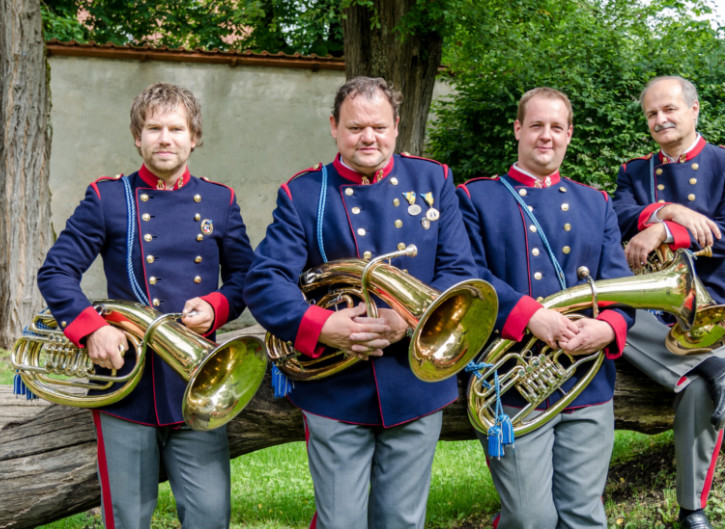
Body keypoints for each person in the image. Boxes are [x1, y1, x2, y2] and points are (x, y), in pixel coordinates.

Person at [244, 76, 479, 529]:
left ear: (396, 127)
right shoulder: (304, 193)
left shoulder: (434, 178)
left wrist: (406, 317)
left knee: (403, 521)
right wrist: (321, 325)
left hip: (415, 379)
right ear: (334, 127)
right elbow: (265, 279)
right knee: (341, 522)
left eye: (378, 126)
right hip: (336, 388)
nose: (368, 138)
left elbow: (458, 270)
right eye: (355, 128)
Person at [36, 82, 254, 529]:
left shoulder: (220, 200)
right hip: (126, 383)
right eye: (153, 128)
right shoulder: (107, 198)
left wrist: (217, 306)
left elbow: (248, 278)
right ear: (138, 136)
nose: (165, 138)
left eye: (176, 128)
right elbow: (56, 272)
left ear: (194, 137)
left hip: (198, 383)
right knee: (128, 518)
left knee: (211, 517)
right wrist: (91, 328)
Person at [456, 87, 635, 529]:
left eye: (557, 127)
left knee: (584, 515)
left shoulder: (595, 201)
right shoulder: (476, 197)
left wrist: (609, 329)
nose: (546, 136)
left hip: (585, 380)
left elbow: (618, 286)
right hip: (514, 387)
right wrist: (530, 315)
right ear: (518, 129)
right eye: (536, 125)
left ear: (569, 134)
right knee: (529, 517)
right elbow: (469, 278)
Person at [612, 75, 725, 529]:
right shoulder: (634, 170)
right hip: (654, 307)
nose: (661, 119)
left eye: (670, 109)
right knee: (605, 313)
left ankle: (692, 509)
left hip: (717, 302)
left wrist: (661, 231)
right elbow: (616, 217)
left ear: (694, 110)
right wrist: (669, 211)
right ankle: (720, 369)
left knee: (695, 390)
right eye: (652, 113)